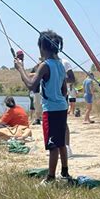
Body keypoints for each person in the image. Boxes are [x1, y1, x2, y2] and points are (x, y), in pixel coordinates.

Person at [14, 29, 70, 182]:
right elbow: (64, 90)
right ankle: (65, 173)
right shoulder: (60, 65)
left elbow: (31, 85)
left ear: (42, 47)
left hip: (50, 111)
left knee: (52, 145)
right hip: (62, 108)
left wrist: (20, 69)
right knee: (61, 143)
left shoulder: (45, 66)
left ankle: (50, 178)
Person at [61, 58, 76, 158]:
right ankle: (56, 147)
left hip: (62, 94)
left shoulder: (64, 62)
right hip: (50, 96)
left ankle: (67, 147)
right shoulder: (46, 63)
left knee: (63, 121)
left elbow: (72, 78)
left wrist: (59, 78)